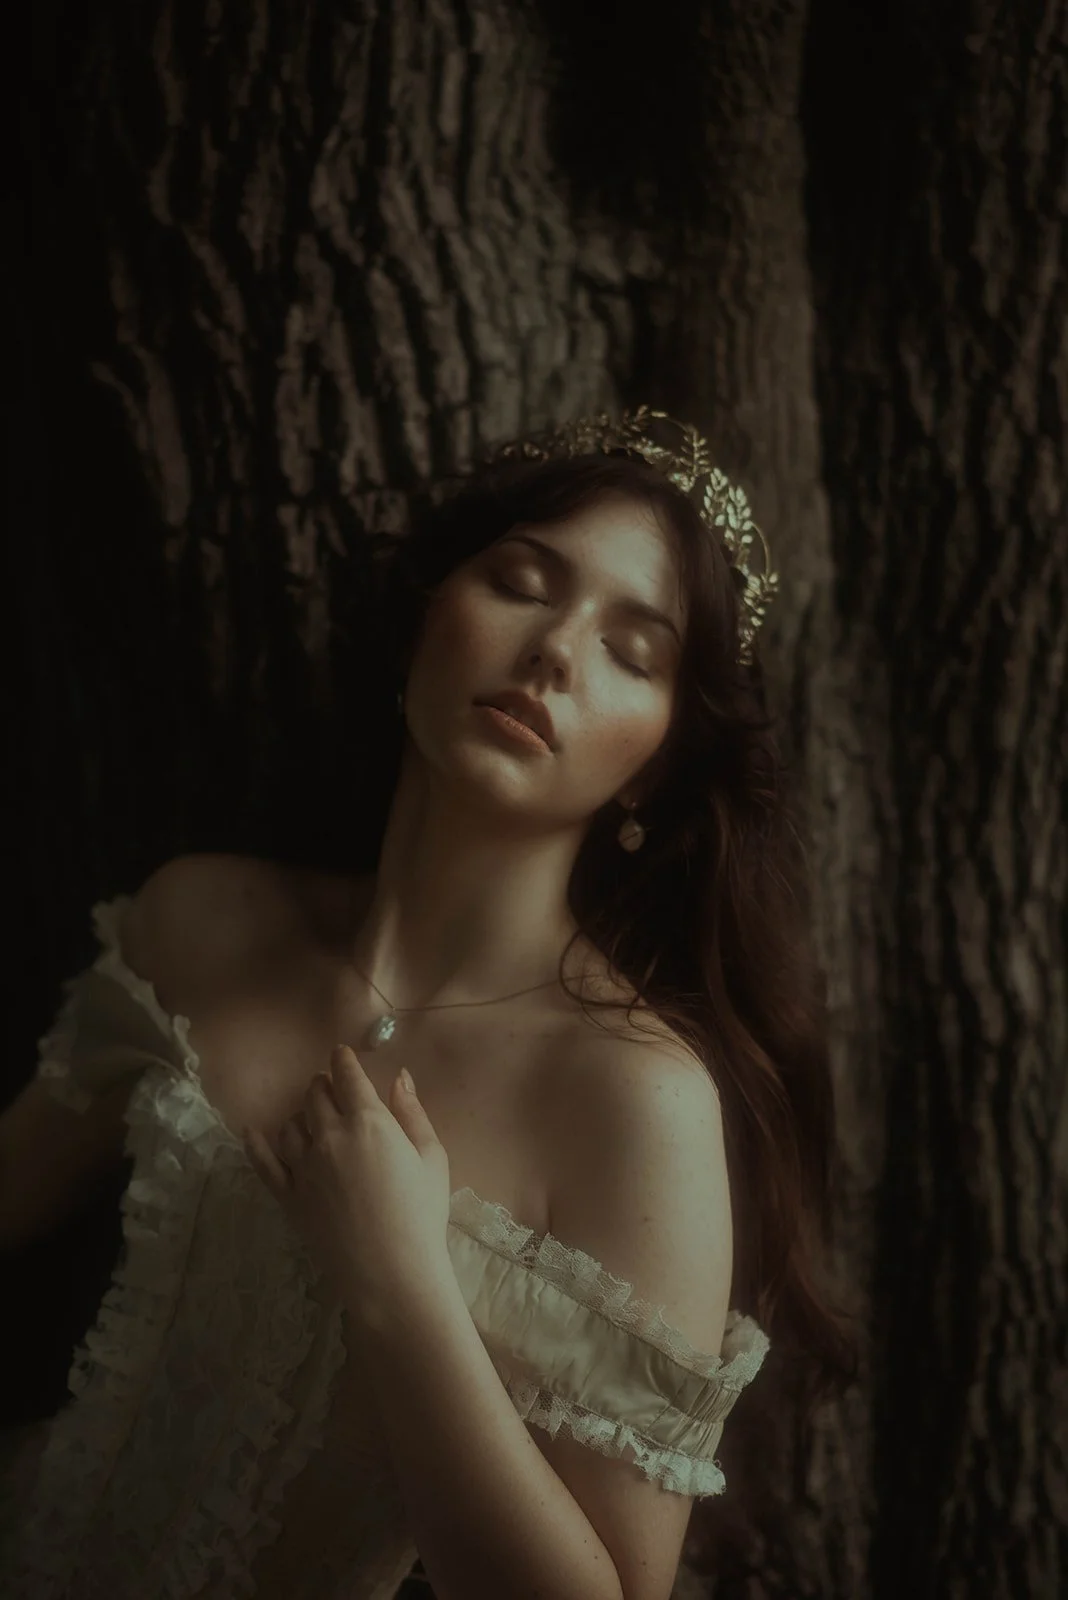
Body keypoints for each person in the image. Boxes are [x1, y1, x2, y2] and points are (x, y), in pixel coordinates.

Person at [0, 409, 855, 1599]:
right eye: (522, 582)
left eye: (634, 649)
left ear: (653, 766)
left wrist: (401, 1278)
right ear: (422, 619)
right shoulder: (202, 920)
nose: (556, 650)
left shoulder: (635, 1098)